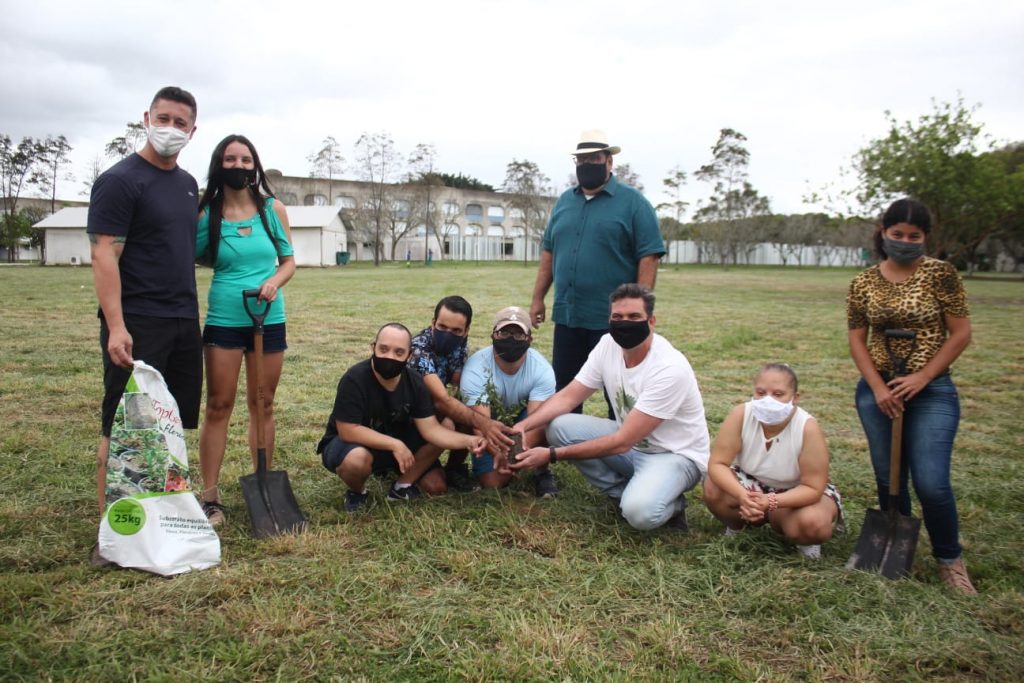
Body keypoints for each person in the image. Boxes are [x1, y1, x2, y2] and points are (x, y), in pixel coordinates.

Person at [847, 198, 976, 594]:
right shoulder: (864, 281)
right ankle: (896, 547)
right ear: (883, 233)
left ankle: (949, 560)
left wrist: (922, 376)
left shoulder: (942, 275)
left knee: (932, 481)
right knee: (889, 478)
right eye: (897, 234)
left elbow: (960, 333)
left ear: (925, 238)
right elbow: (856, 339)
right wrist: (879, 387)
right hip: (878, 389)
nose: (904, 241)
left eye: (913, 236)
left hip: (931, 389)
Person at [87, 86, 202, 521]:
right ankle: (112, 525)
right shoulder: (120, 181)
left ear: (193, 131)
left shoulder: (188, 185)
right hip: (139, 320)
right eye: (164, 118)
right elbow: (104, 254)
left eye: (180, 123)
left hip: (182, 320)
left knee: (168, 422)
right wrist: (117, 326)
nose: (170, 128)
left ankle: (159, 514)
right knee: (123, 423)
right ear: (146, 118)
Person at [512, 283, 708, 530]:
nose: (625, 323)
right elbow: (569, 396)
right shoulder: (608, 344)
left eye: (634, 317)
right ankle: (623, 494)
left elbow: (622, 441)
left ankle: (672, 506)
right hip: (633, 445)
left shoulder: (670, 368)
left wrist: (551, 455)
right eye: (617, 317)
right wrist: (524, 425)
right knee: (559, 427)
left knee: (640, 514)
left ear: (652, 321)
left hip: (673, 455)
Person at [194, 135, 295, 526]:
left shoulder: (273, 210)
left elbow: (288, 261)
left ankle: (263, 483)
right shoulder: (207, 215)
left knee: (263, 403)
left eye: (246, 159)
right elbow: (195, 254)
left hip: (268, 317)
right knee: (219, 404)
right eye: (230, 159)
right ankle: (210, 496)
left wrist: (273, 282)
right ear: (219, 164)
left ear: (255, 165)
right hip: (225, 318)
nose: (239, 165)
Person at [529, 129, 665, 413]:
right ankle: (561, 439)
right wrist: (538, 298)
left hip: (612, 319)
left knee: (617, 389)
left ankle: (627, 443)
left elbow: (649, 256)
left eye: (593, 158)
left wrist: (640, 307)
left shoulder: (633, 204)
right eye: (581, 160)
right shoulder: (564, 202)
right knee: (564, 386)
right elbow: (549, 251)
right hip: (568, 315)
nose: (586, 165)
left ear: (609, 161)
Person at [317, 323, 486, 512]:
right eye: (383, 349)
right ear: (373, 348)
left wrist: (470, 440)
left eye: (399, 352)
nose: (390, 357)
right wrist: (395, 444)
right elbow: (348, 430)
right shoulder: (354, 379)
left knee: (437, 478)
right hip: (350, 443)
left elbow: (431, 430)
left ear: (409, 355)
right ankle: (357, 491)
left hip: (397, 442)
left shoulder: (415, 382)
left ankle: (401, 487)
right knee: (356, 460)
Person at [703, 364, 843, 559]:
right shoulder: (741, 414)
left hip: (795, 493)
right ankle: (738, 526)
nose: (768, 400)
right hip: (752, 485)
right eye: (761, 392)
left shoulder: (807, 428)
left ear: (795, 398)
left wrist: (771, 501)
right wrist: (743, 495)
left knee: (814, 523)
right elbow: (717, 464)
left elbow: (813, 487)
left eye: (778, 394)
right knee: (713, 486)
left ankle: (803, 538)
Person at [406, 296, 512, 492]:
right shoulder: (419, 349)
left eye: (456, 331)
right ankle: (398, 466)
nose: (448, 334)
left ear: (466, 331)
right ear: (433, 323)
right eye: (442, 327)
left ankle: (454, 468)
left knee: (466, 405)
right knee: (435, 486)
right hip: (408, 423)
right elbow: (441, 399)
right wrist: (485, 425)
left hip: (430, 413)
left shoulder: (460, 343)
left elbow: (459, 383)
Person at [460, 306, 558, 496]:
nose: (511, 339)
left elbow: (535, 423)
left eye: (518, 334)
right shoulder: (475, 367)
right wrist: (498, 453)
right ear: (493, 335)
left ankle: (542, 471)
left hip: (523, 422)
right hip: (489, 423)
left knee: (549, 418)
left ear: (530, 339)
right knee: (492, 482)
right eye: (504, 332)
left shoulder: (542, 370)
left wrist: (512, 455)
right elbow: (481, 424)